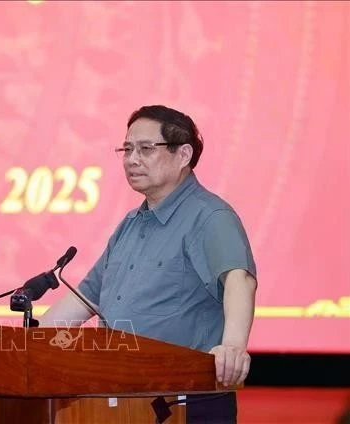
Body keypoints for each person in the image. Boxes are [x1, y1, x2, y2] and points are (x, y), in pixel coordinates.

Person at [40, 105, 258, 423]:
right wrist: (33, 344)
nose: (131, 159)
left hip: (184, 402)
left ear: (183, 154)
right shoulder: (131, 224)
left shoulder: (210, 217)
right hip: (121, 400)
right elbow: (85, 297)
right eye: (126, 149)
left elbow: (239, 280)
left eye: (145, 149)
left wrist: (233, 348)